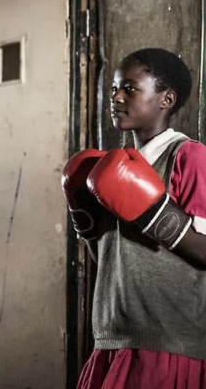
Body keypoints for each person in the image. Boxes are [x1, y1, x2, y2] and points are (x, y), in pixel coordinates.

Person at [62, 48, 206, 388]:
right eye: (113, 88)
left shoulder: (189, 157)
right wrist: (86, 222)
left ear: (166, 99)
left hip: (168, 345)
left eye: (130, 88)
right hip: (112, 339)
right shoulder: (107, 169)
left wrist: (155, 213)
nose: (116, 97)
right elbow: (113, 261)